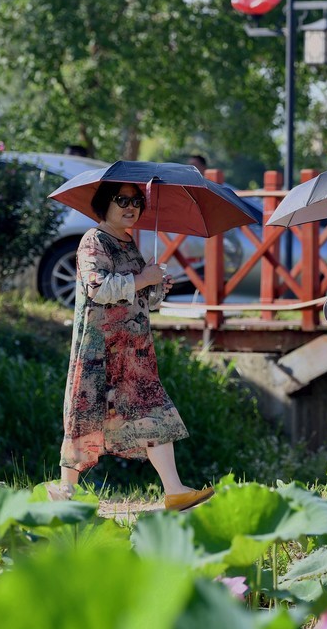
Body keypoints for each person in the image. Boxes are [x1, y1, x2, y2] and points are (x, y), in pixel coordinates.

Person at [52, 181, 214, 511]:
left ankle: (174, 490)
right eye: (122, 200)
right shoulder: (94, 240)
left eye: (137, 201)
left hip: (133, 351)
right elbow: (97, 288)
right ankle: (65, 491)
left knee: (154, 410)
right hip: (99, 349)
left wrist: (157, 286)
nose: (131, 207)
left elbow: (141, 298)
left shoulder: (128, 242)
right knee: (85, 414)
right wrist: (143, 279)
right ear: (104, 203)